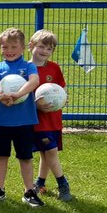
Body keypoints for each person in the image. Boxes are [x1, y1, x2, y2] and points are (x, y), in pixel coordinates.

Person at [0, 28, 44, 207]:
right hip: (2, 121)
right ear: (0, 48)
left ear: (23, 47)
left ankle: (29, 191)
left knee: (25, 157)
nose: (9, 50)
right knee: (1, 156)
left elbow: (34, 81)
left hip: (24, 121)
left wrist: (18, 94)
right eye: (5, 47)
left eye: (13, 46)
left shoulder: (28, 66)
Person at [29, 29, 73, 202]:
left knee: (45, 152)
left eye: (49, 49)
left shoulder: (54, 68)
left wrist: (62, 98)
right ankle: (63, 183)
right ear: (31, 46)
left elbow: (61, 88)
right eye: (41, 47)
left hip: (54, 118)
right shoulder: (26, 69)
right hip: (38, 120)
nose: (45, 51)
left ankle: (39, 183)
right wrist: (35, 103)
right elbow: (24, 95)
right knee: (51, 150)